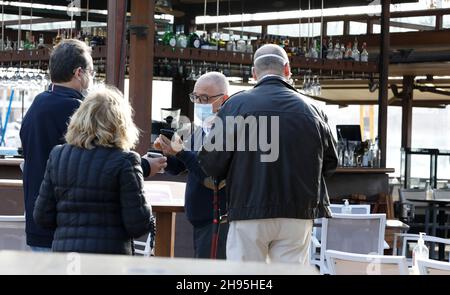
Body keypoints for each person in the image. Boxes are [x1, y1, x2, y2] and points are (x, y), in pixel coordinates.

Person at [20, 39, 166, 252]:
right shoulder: (78, 111)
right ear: (79, 73)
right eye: (91, 71)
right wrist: (143, 166)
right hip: (75, 234)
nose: (93, 77)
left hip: (43, 225)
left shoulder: (36, 105)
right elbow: (95, 164)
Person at [198, 44, 338, 264]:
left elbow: (211, 162)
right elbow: (330, 164)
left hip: (248, 209)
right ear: (287, 69)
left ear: (254, 73)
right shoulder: (314, 111)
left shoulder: (236, 105)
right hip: (298, 212)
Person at [33, 86, 153, 254]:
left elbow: (42, 217)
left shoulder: (58, 155)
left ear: (79, 118)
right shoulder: (126, 160)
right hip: (108, 260)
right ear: (121, 123)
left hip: (66, 257)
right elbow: (138, 225)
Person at [155, 72, 230, 259]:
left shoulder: (228, 129)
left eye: (204, 98)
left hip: (217, 221)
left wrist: (180, 152)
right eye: (195, 97)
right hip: (201, 219)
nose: (198, 103)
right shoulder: (200, 129)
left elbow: (210, 171)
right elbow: (180, 167)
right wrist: (167, 153)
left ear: (224, 99)